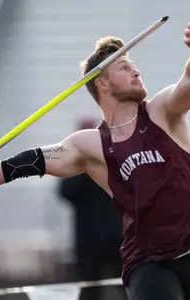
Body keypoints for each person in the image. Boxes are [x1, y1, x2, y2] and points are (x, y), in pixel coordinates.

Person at [0, 17, 190, 300]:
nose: (136, 71)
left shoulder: (162, 112)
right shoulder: (92, 145)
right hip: (149, 263)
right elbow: (15, 166)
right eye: (124, 67)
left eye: (134, 64)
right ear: (103, 83)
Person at [58, 117, 123, 300]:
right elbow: (66, 192)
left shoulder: (112, 158)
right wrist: (86, 168)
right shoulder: (71, 163)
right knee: (89, 289)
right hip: (87, 239)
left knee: (126, 285)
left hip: (117, 235)